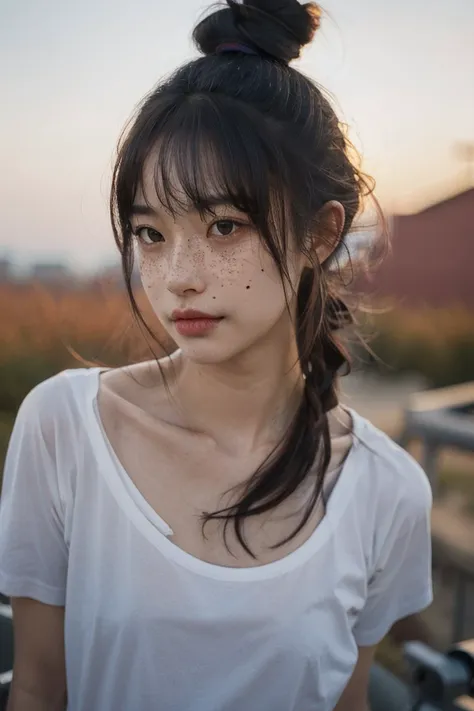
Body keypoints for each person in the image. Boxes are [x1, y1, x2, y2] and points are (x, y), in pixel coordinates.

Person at [0, 1, 433, 710]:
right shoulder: (64, 429)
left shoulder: (385, 491)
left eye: (224, 225)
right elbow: (39, 689)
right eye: (150, 233)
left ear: (321, 235)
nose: (178, 276)